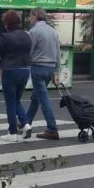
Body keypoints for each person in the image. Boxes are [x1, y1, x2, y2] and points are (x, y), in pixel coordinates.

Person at [0, 9, 31, 142]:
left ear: (7, 23)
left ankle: (12, 132)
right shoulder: (27, 35)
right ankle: (26, 124)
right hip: (25, 70)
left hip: (10, 70)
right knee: (16, 100)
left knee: (10, 103)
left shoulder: (5, 37)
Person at [24, 8, 62, 140]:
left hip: (38, 67)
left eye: (30, 16)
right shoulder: (53, 31)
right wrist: (57, 71)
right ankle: (26, 122)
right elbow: (58, 52)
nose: (29, 18)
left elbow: (29, 51)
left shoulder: (33, 32)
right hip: (50, 68)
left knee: (43, 98)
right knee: (37, 96)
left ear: (35, 16)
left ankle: (52, 129)